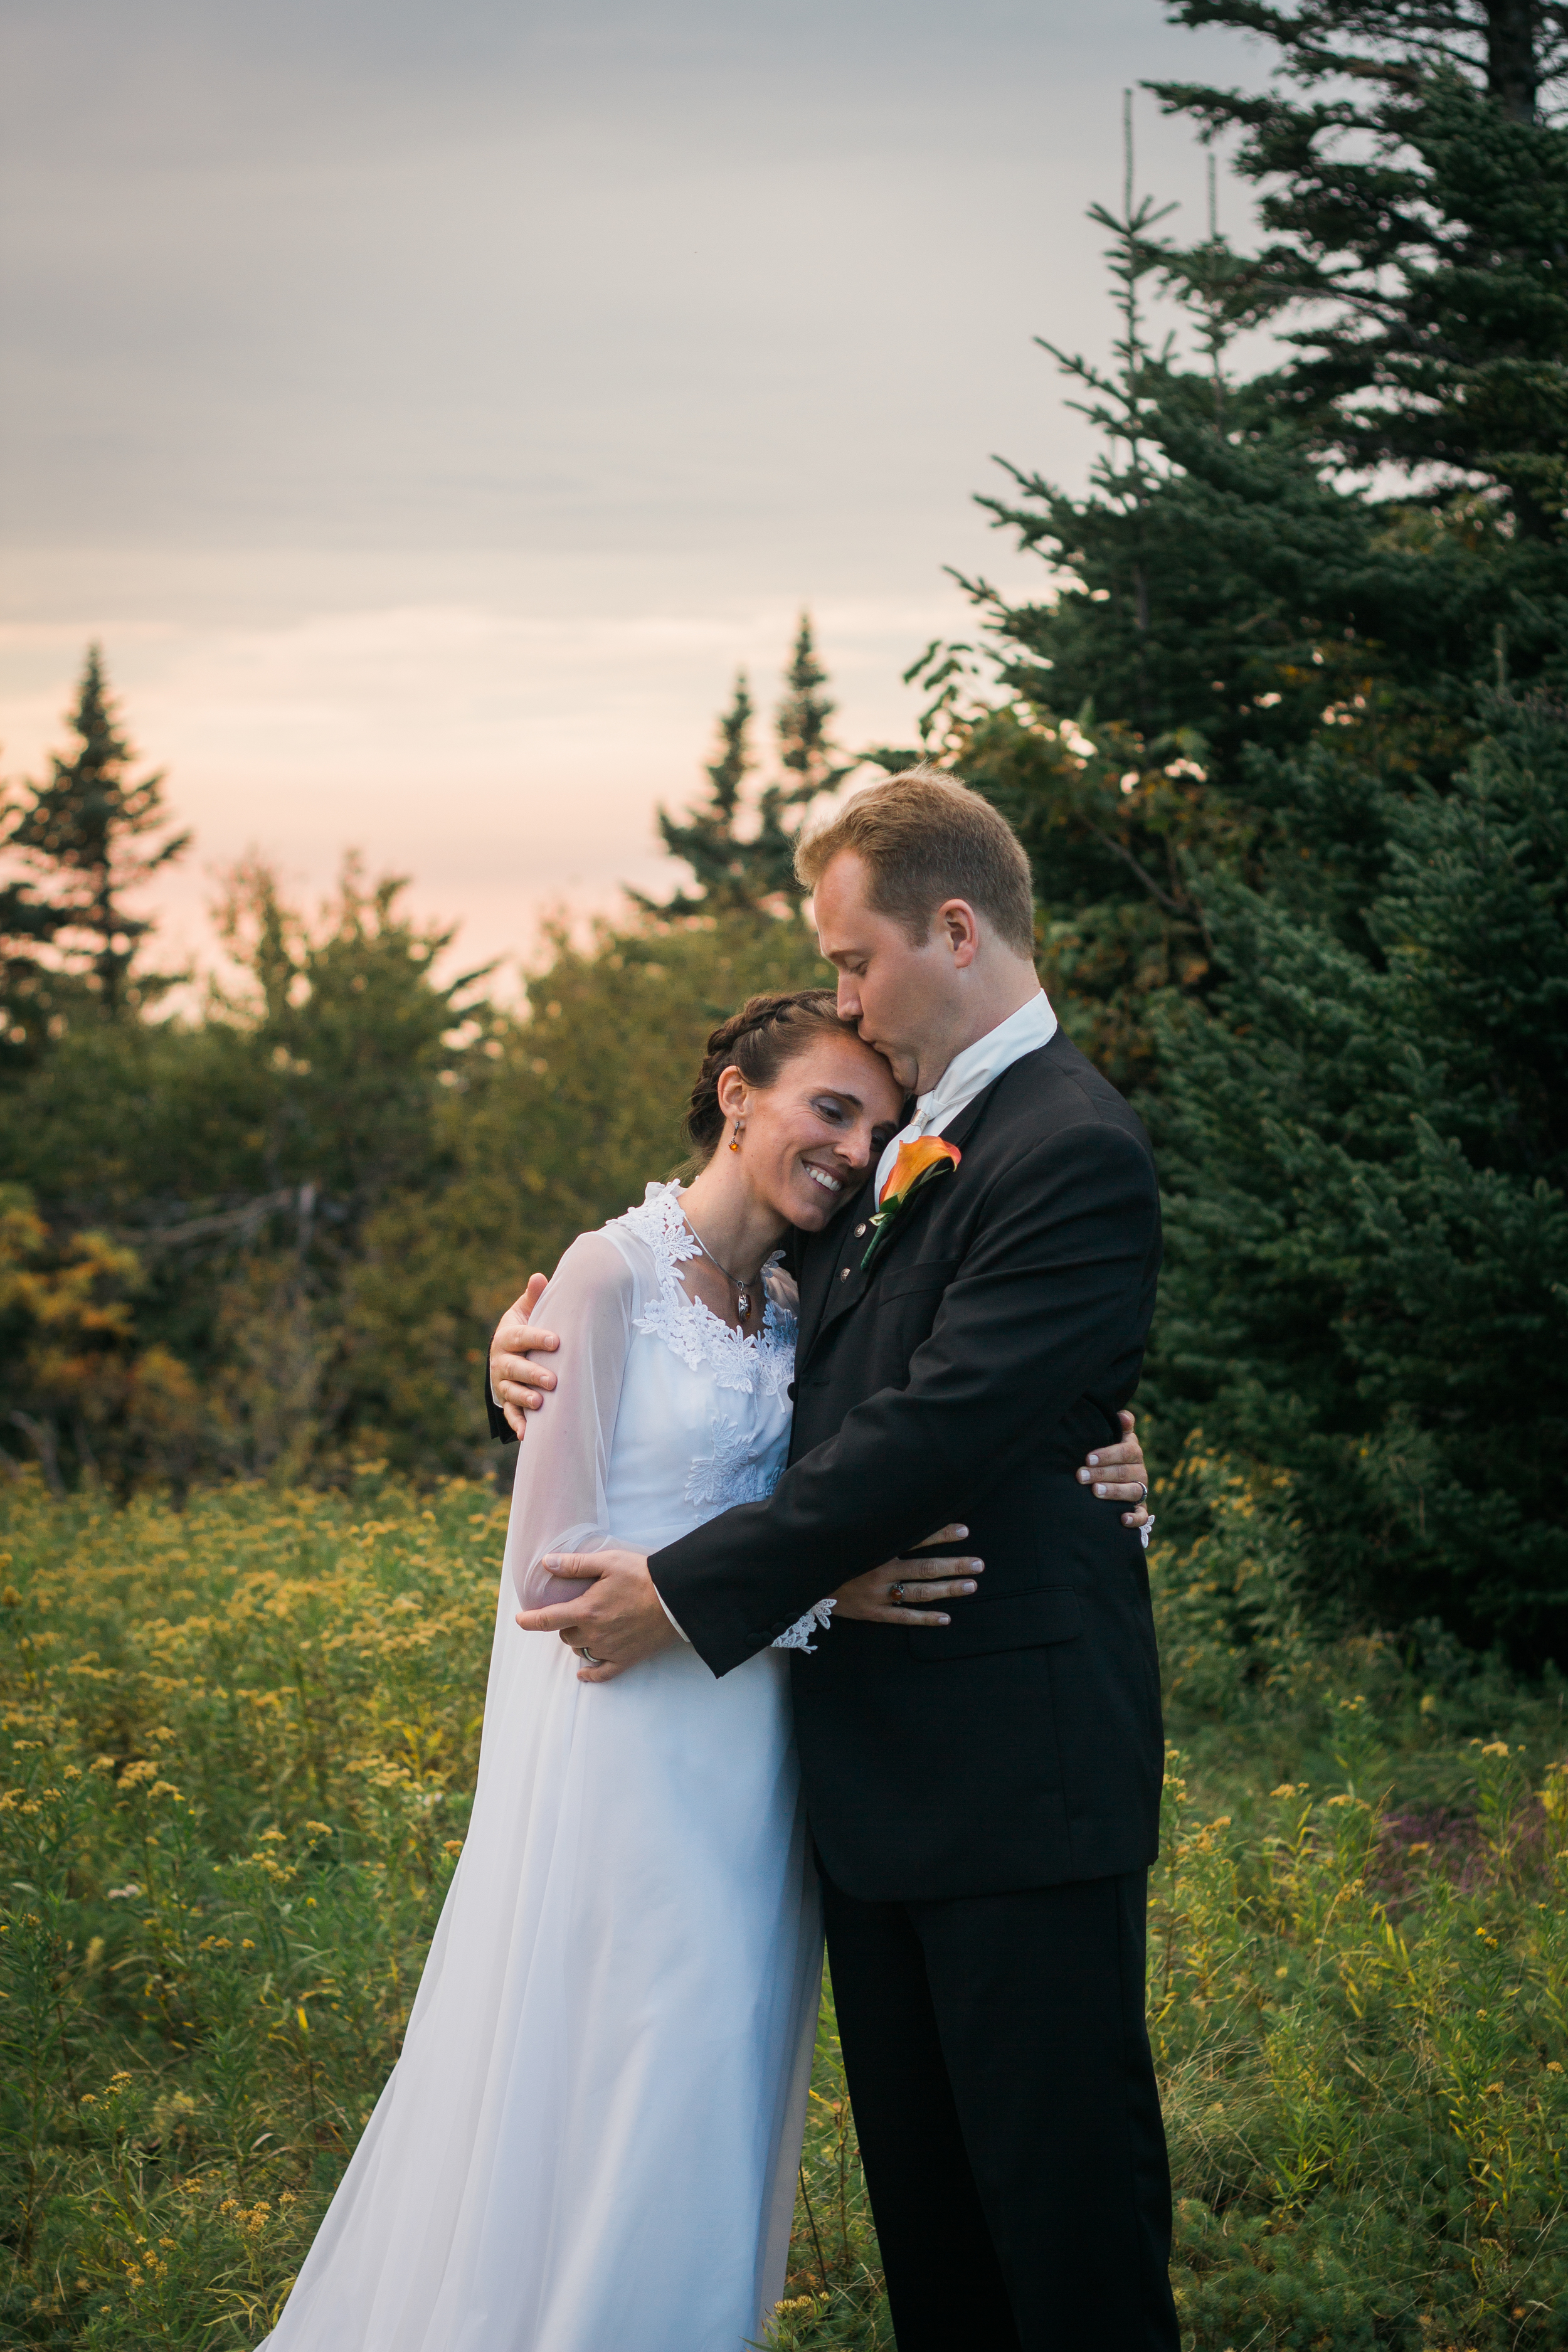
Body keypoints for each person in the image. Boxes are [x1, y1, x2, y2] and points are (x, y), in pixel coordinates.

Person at [262, 980, 1147, 2352]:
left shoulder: (808, 1286)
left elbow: (938, 1390)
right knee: (631, 2059)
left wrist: (1107, 1443)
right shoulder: (607, 1271)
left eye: (875, 1123)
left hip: (764, 1772)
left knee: (719, 2080)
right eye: (828, 1111)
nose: (854, 1150)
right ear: (736, 1099)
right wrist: (807, 1595)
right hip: (638, 1755)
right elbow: (557, 1561)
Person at [499, 765, 1177, 2351]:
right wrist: (521, 1361)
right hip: (872, 1798)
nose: (843, 1001)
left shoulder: (1067, 1141)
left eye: (852, 959)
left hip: (1016, 1781)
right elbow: (715, 1348)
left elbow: (940, 1424)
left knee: (1063, 2231)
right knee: (940, 2247)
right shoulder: (910, 1146)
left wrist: (688, 1590)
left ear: (952, 929)